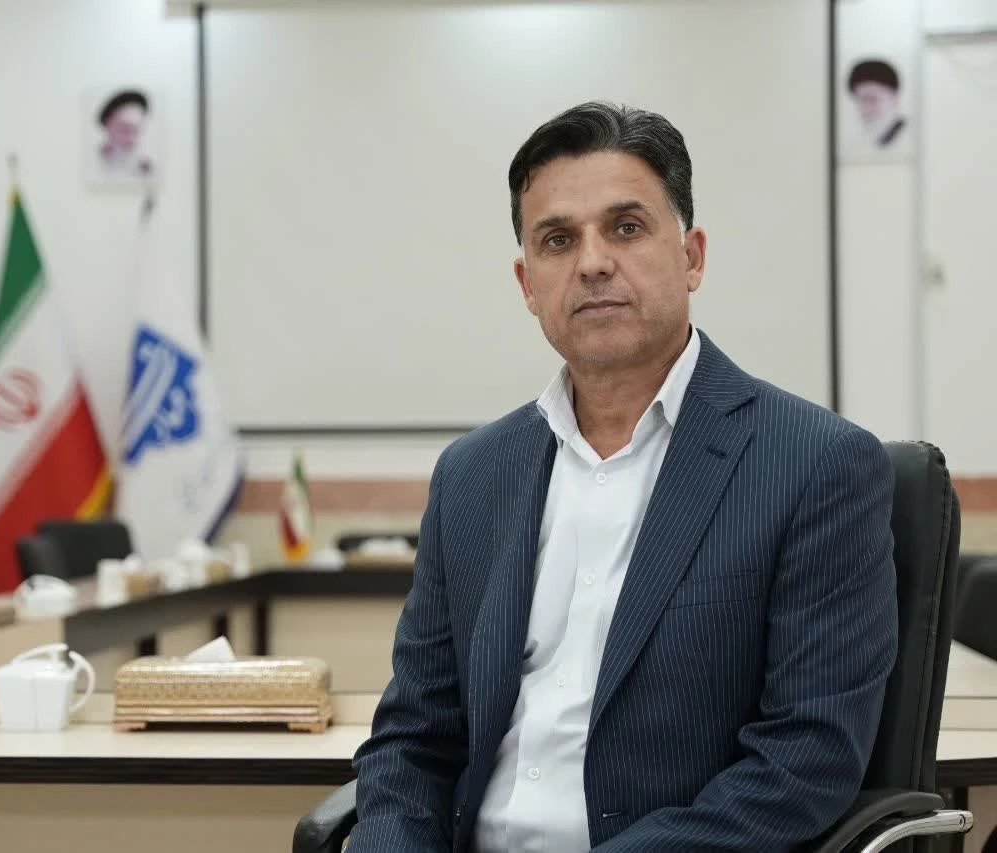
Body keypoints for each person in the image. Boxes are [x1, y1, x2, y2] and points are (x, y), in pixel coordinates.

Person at [347, 101, 898, 852]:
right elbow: (413, 737)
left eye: (627, 227)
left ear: (692, 256)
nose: (592, 262)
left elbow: (805, 761)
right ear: (527, 283)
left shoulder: (816, 465)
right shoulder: (472, 476)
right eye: (557, 240)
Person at [94, 89, 155, 182]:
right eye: (124, 129)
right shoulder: (93, 163)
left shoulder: (147, 168)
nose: (132, 140)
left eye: (137, 130)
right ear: (108, 127)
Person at [847, 59, 908, 148]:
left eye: (872, 99)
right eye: (860, 100)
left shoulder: (907, 138)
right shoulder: (864, 141)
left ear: (894, 100)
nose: (866, 109)